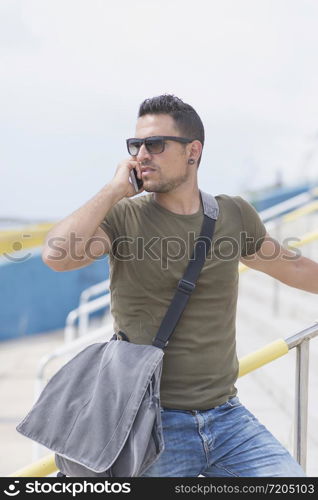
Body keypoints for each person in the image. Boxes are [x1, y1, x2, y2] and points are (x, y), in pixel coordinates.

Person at [42, 94, 318, 477]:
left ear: (193, 151)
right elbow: (57, 256)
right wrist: (112, 191)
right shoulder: (123, 217)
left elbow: (294, 268)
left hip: (227, 419)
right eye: (135, 145)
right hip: (152, 425)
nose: (142, 155)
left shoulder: (233, 215)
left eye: (155, 144)